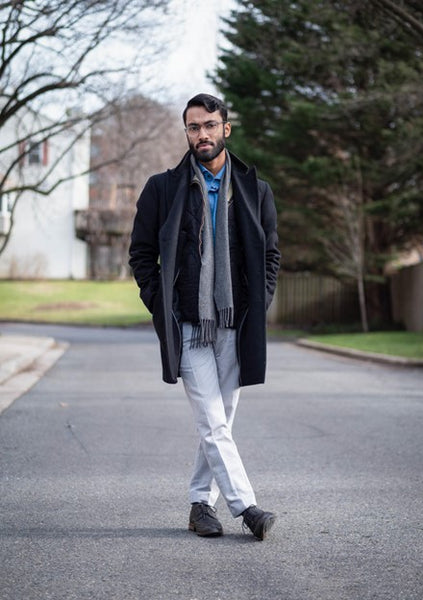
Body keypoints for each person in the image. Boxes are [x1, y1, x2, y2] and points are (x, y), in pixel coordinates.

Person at [129, 93, 281, 541]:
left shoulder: (255, 189)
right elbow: (142, 255)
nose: (202, 134)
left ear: (225, 129)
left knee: (219, 421)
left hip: (235, 322)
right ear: (187, 133)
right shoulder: (162, 188)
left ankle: (200, 504)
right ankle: (246, 507)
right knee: (213, 420)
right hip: (189, 324)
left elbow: (271, 255)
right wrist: (163, 308)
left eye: (210, 125)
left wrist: (260, 303)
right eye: (194, 127)